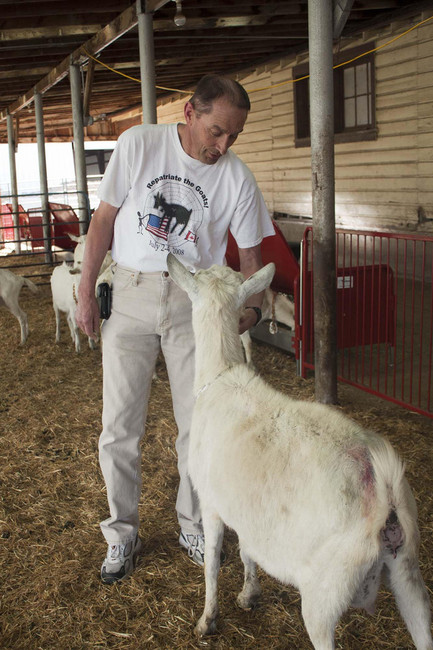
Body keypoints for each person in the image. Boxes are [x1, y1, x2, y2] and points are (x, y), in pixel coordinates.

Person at [75, 74, 275, 584]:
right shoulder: (138, 144)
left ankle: (194, 525)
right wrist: (84, 292)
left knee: (198, 425)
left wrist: (250, 310)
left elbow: (252, 256)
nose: (223, 146)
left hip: (197, 304)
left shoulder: (237, 177)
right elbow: (102, 221)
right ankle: (122, 535)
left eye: (234, 136)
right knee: (119, 426)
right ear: (190, 112)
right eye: (216, 132)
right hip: (132, 291)